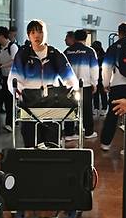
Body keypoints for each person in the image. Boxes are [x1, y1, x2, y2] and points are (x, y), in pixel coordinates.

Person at [9, 20, 78, 148]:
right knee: (31, 146)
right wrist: (19, 94)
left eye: (40, 32)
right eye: (33, 32)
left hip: (52, 107)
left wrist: (70, 92)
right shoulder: (23, 54)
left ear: (45, 34)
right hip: (28, 108)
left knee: (52, 146)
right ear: (28, 35)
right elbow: (14, 79)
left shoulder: (55, 54)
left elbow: (70, 78)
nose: (37, 35)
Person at [99, 23, 126, 151]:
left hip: (118, 86)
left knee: (113, 115)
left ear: (119, 32)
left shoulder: (114, 48)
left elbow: (106, 67)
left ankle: (105, 143)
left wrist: (106, 84)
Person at [63, 29, 99, 140]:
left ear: (75, 38)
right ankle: (88, 132)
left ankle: (69, 133)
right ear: (85, 38)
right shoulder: (89, 51)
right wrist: (95, 83)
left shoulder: (67, 51)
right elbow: (94, 69)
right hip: (85, 85)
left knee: (71, 108)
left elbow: (63, 69)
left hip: (70, 86)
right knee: (87, 109)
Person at [0, 26, 19, 132]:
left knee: (10, 101)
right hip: (4, 78)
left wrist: (1, 66)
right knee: (2, 100)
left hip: (13, 79)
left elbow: (14, 61)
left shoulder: (12, 47)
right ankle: (4, 123)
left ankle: (11, 123)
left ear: (1, 36)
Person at [91, 40, 108, 117]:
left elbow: (106, 66)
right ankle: (96, 108)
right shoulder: (93, 55)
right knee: (96, 94)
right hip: (95, 77)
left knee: (103, 93)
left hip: (102, 77)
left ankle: (104, 108)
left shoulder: (104, 56)